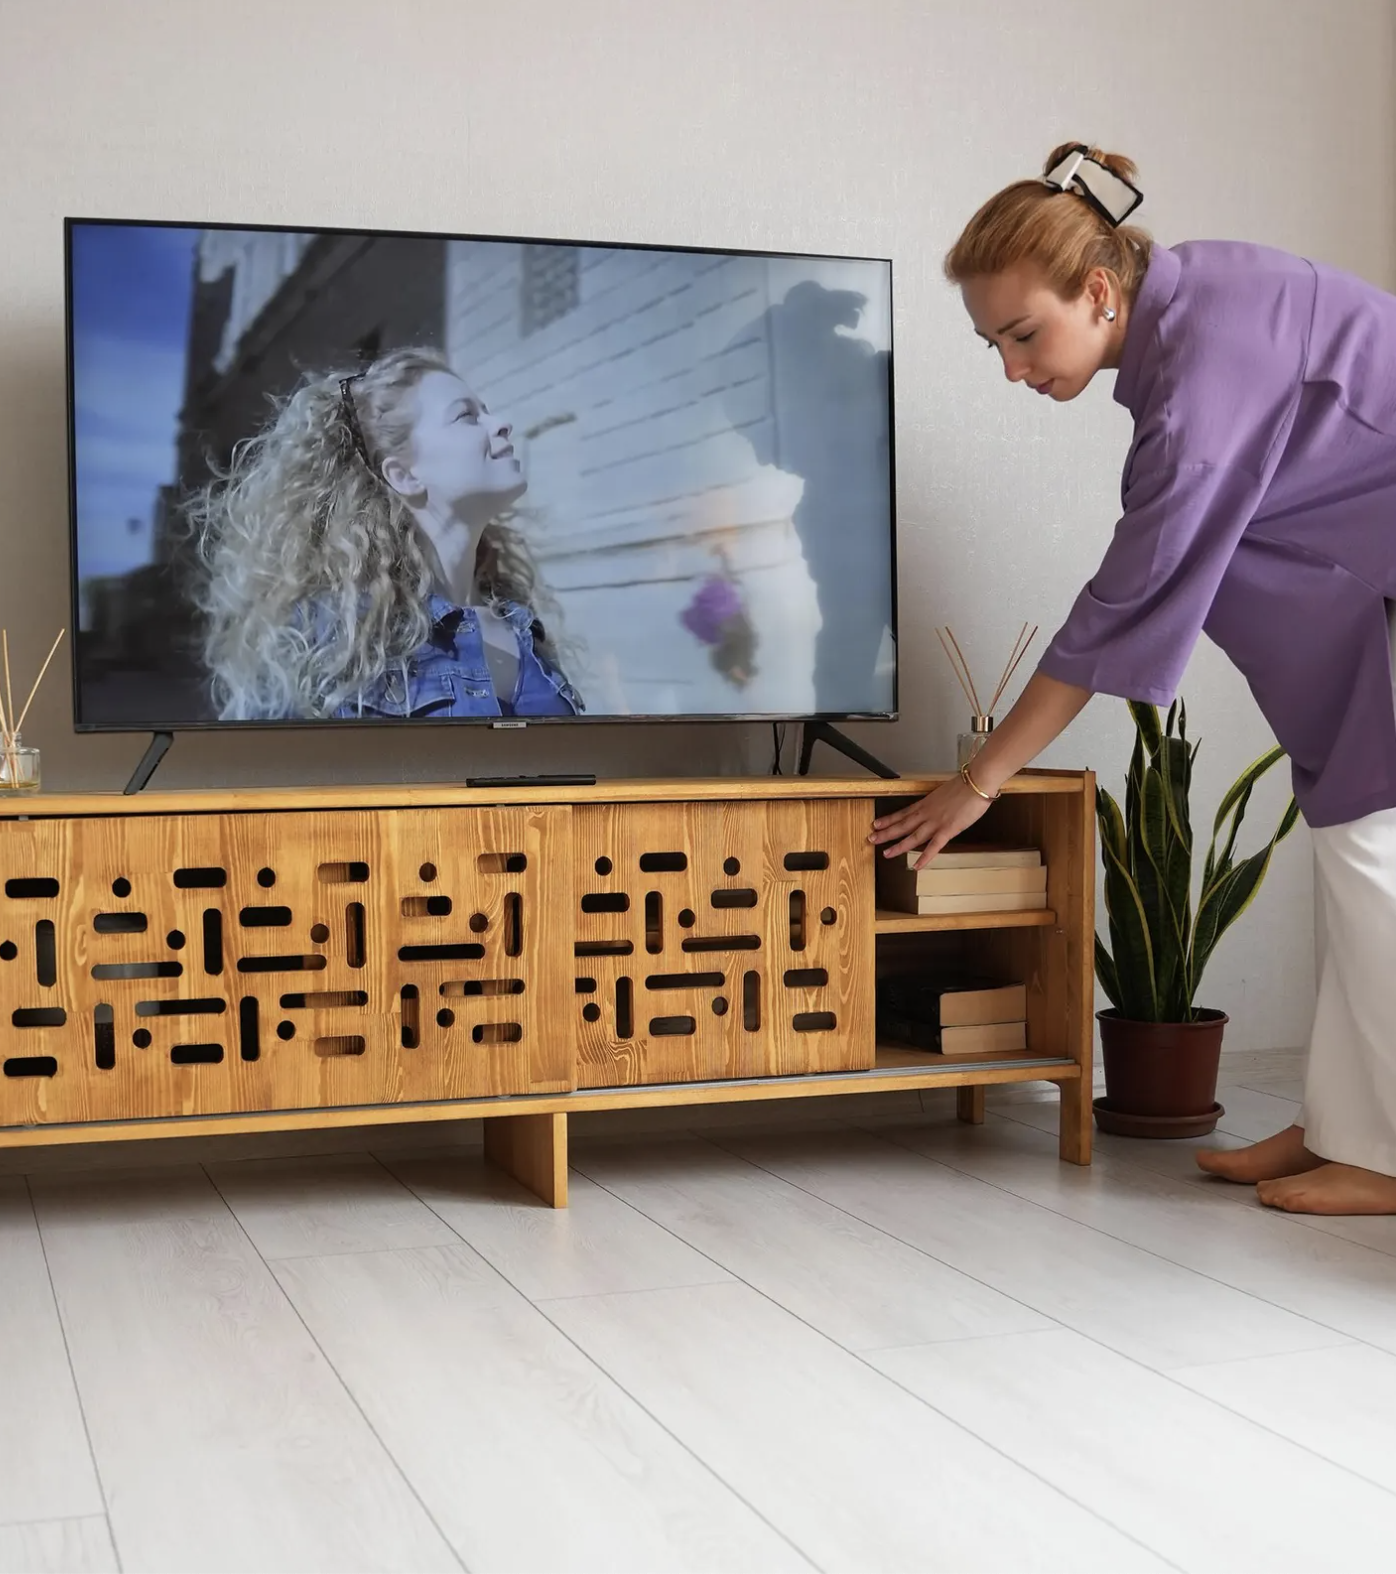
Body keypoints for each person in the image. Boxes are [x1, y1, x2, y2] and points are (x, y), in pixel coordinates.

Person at [870, 141, 1396, 1217]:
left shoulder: (1202, 371)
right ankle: (1347, 1123)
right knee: (1355, 849)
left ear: (1098, 290)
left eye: (1023, 334)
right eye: (992, 345)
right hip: (1364, 588)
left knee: (1376, 857)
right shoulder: (1192, 301)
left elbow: (1118, 600)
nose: (1013, 368)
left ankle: (1386, 1154)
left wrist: (976, 784)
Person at [188, 348, 582, 721]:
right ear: (404, 475)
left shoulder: (521, 626)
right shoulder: (326, 636)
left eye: (489, 413)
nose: (501, 424)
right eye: (466, 416)